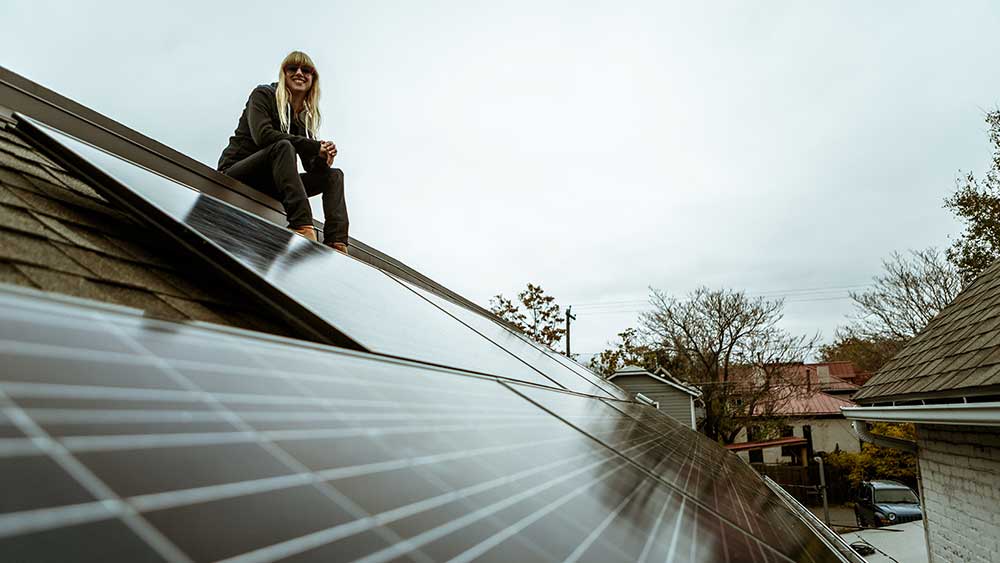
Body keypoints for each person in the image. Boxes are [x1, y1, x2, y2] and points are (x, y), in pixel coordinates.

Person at [218, 51, 349, 253]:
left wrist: (322, 158)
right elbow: (263, 136)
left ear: (313, 79)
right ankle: (302, 225)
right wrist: (313, 146)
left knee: (334, 176)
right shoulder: (263, 95)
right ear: (283, 74)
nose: (299, 73)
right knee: (283, 147)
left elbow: (310, 166)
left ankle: (337, 242)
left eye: (306, 70)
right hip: (237, 173)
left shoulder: (303, 119)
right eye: (292, 69)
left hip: (272, 183)